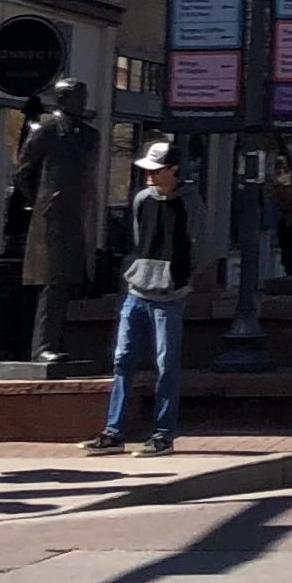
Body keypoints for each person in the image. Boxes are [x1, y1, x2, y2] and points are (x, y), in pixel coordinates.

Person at [82, 140, 208, 456]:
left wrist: (180, 279)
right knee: (122, 359)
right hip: (136, 292)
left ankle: (163, 435)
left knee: (166, 365)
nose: (149, 175)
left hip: (169, 295)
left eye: (156, 169)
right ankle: (113, 433)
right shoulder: (141, 200)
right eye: (147, 170)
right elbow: (140, 240)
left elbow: (199, 245)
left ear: (173, 169)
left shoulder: (189, 203)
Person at [16, 80, 98, 363]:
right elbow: (23, 172)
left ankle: (55, 341)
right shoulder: (46, 130)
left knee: (65, 282)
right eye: (78, 96)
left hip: (75, 217)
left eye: (84, 95)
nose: (83, 101)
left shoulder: (89, 135)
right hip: (50, 217)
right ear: (63, 99)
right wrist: (39, 202)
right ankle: (41, 348)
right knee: (51, 281)